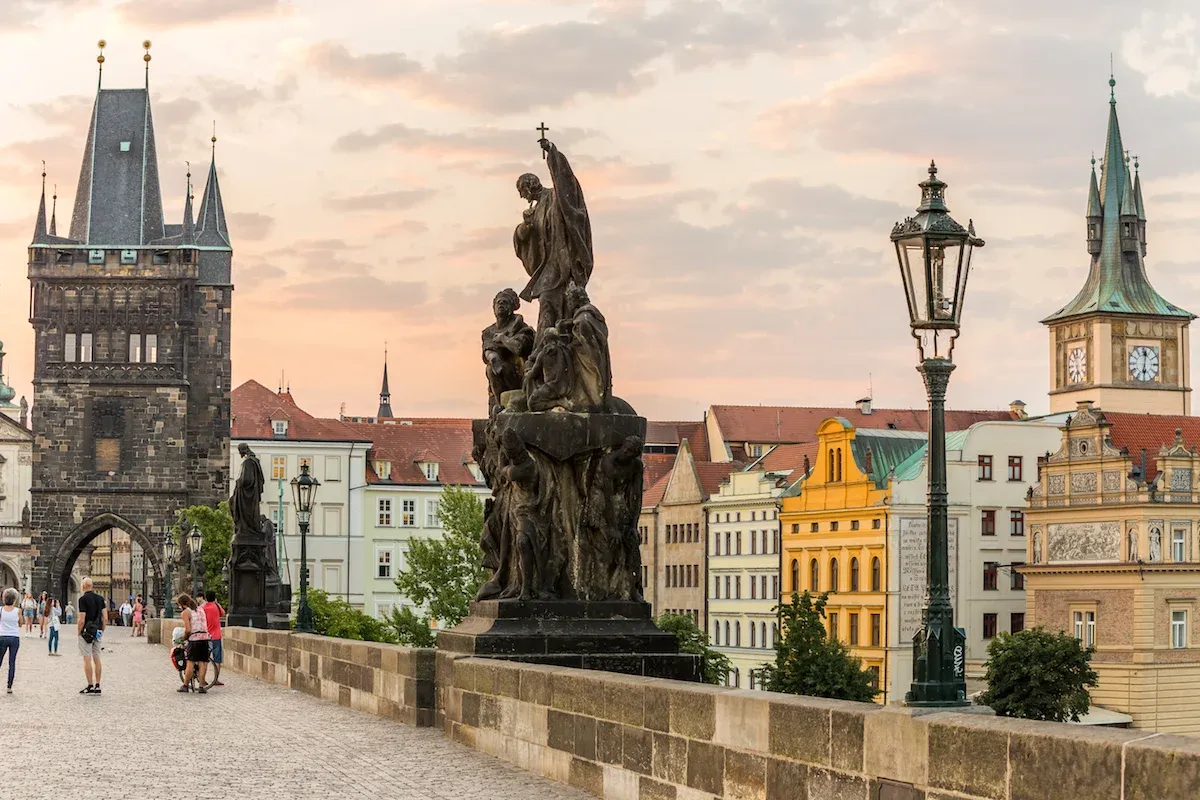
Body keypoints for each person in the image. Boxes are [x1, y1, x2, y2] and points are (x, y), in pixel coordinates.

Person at [77, 578, 106, 695]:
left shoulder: (82, 599)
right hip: (97, 631)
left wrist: (79, 632)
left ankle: (90, 685)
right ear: (92, 586)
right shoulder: (100, 599)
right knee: (97, 657)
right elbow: (105, 618)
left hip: (86, 632)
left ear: (83, 586)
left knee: (87, 658)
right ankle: (98, 685)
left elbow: (81, 619)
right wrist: (101, 630)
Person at [177, 593, 209, 693]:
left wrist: (183, 638)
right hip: (204, 637)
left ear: (181, 604)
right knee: (202, 662)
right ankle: (201, 686)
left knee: (190, 662)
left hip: (194, 639)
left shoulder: (186, 612)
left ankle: (185, 685)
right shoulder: (200, 609)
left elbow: (188, 630)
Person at [202, 590, 225, 688]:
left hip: (205, 636)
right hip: (216, 636)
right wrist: (217, 603)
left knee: (204, 659)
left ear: (205, 598)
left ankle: (202, 679)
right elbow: (223, 613)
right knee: (217, 659)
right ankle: (216, 679)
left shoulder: (202, 608)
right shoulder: (216, 607)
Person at [0, 588, 21, 693]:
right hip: (14, 637)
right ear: (14, 599)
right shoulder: (18, 611)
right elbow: (20, 624)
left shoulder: (0, 610)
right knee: (12, 662)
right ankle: (9, 686)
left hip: (2, 636)